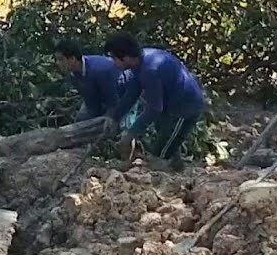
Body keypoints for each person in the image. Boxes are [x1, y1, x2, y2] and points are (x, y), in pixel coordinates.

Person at [104, 32, 206, 169]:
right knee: (164, 138)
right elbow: (132, 94)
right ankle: (177, 168)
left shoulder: (150, 69)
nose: (113, 62)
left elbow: (154, 108)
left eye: (114, 58)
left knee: (158, 156)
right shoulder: (140, 62)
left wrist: (131, 133)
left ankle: (168, 174)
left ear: (126, 58)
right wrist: (114, 117)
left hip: (185, 108)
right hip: (170, 105)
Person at [54, 39, 132, 123]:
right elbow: (90, 102)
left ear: (72, 59)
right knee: (81, 121)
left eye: (61, 59)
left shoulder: (100, 70)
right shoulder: (72, 74)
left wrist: (107, 119)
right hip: (99, 100)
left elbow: (114, 102)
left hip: (123, 97)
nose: (57, 63)